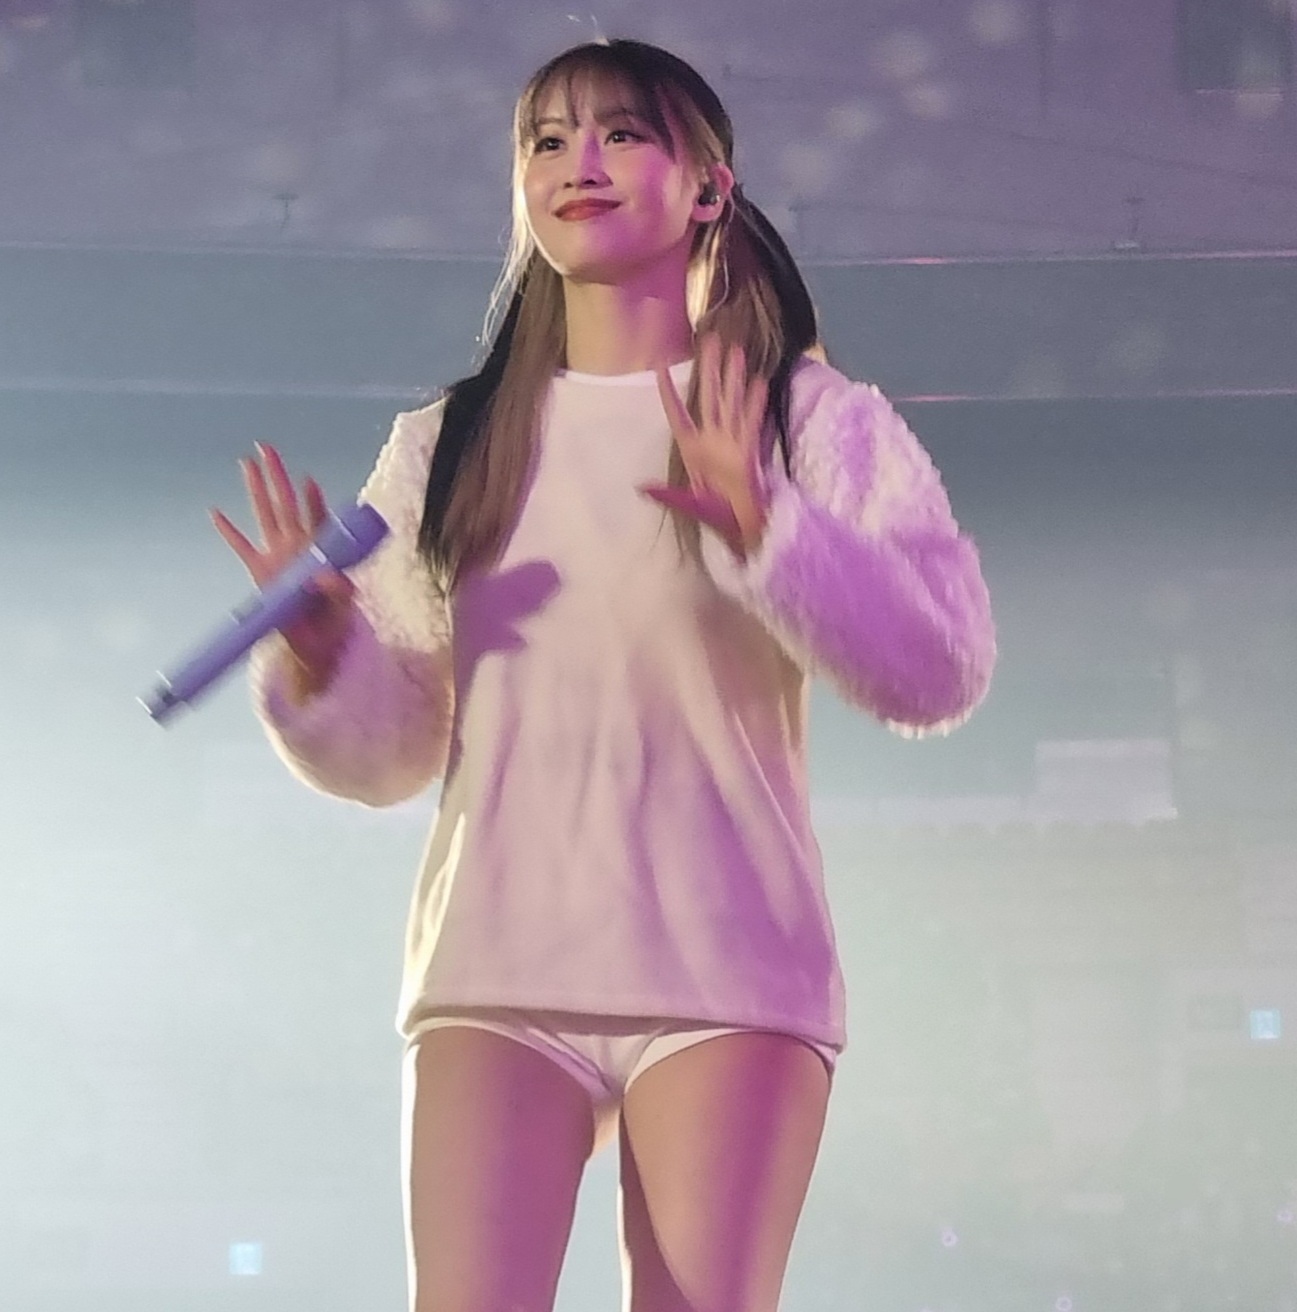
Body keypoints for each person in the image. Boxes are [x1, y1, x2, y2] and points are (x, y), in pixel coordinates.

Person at [209, 36, 997, 1312]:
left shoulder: (804, 417)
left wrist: (771, 531)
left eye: (621, 132)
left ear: (710, 186)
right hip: (493, 961)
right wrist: (323, 651)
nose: (578, 162)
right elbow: (392, 752)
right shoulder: (448, 441)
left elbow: (941, 667)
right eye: (546, 139)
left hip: (726, 966)